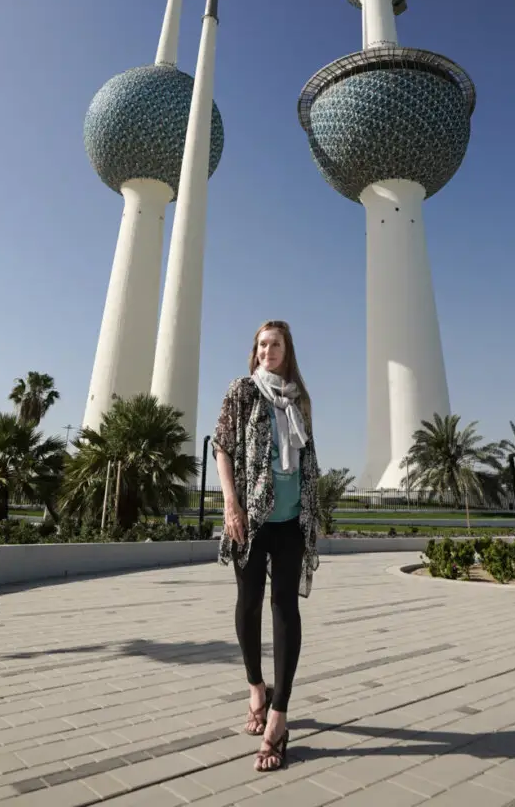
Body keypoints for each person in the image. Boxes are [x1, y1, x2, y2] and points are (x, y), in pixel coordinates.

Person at [212, 320, 320, 772]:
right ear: (254, 352)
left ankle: (279, 716)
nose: (267, 350)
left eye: (275, 344)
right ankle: (257, 686)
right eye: (261, 344)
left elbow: (309, 457)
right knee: (249, 603)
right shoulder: (244, 390)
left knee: (286, 609)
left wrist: (316, 511)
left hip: (293, 519)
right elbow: (223, 447)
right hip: (252, 519)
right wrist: (231, 505)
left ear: (287, 350)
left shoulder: (300, 399)